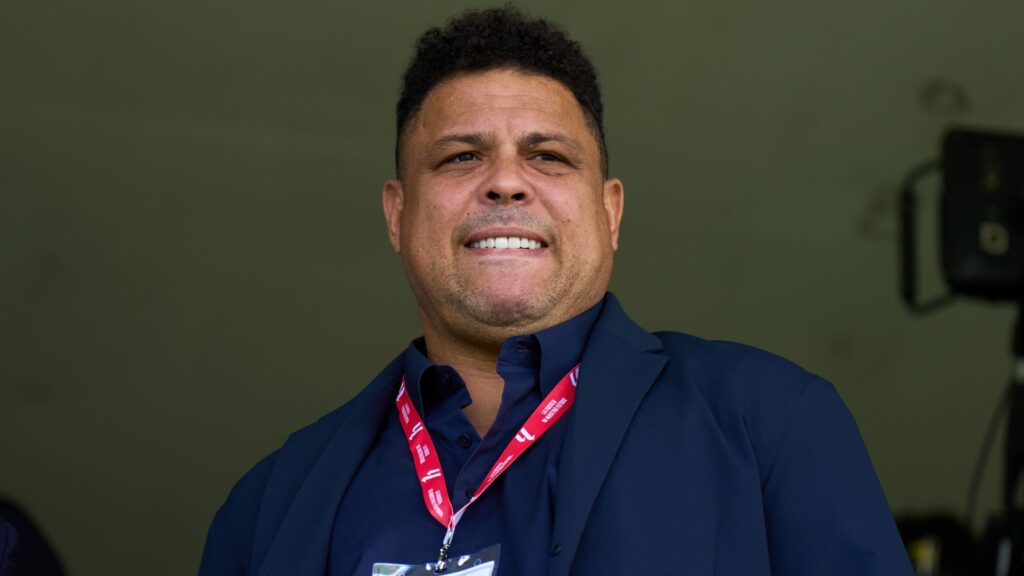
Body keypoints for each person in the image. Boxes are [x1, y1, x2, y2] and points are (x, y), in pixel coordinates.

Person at [199, 7, 913, 576]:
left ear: (610, 211)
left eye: (547, 156)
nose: (506, 182)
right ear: (397, 212)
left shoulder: (768, 424)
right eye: (461, 157)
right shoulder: (269, 506)